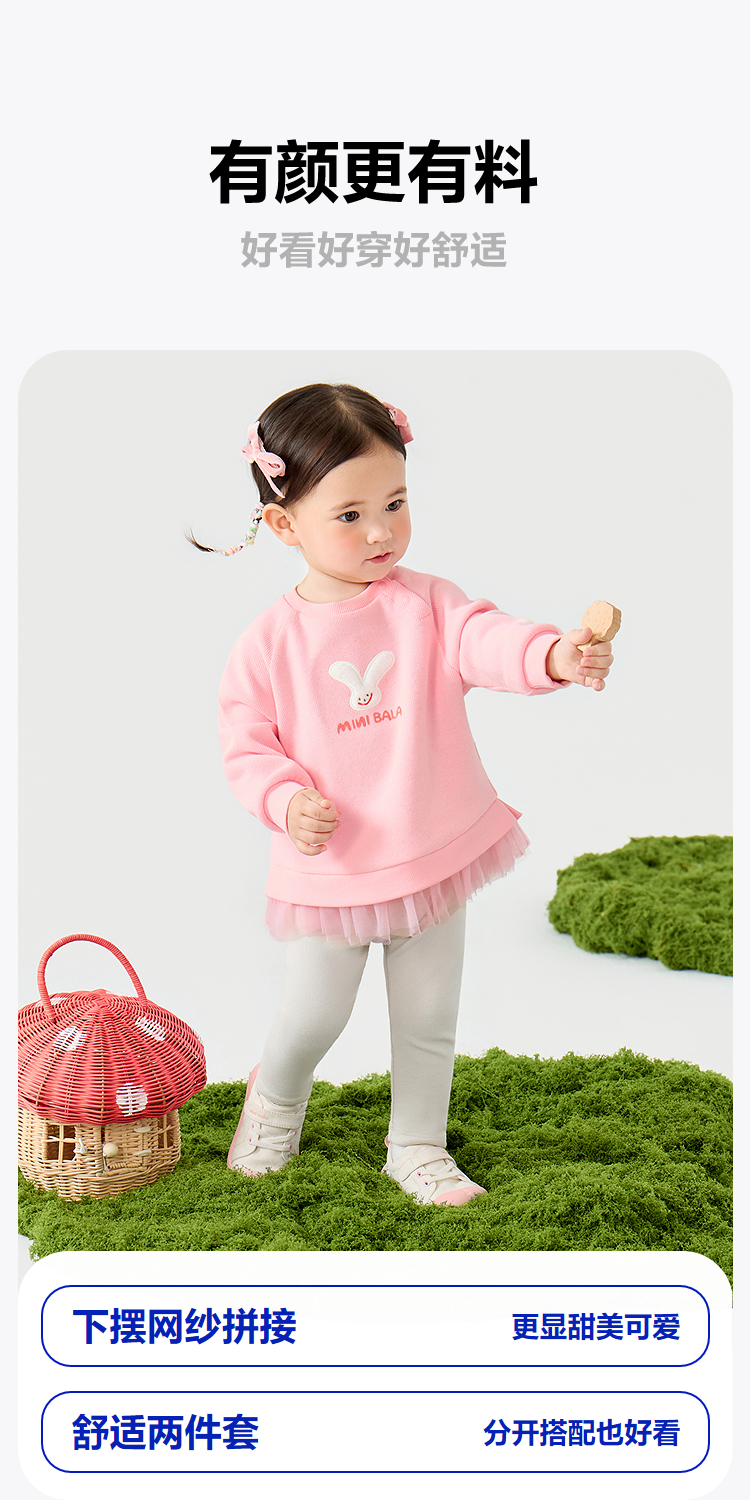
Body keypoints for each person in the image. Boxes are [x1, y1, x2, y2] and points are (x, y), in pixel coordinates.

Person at [197, 382, 614, 1206]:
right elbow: (246, 745)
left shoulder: (426, 603)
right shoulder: (268, 644)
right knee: (314, 1015)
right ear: (283, 523)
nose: (381, 532)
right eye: (350, 515)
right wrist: (285, 801)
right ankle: (274, 1101)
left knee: (428, 1018)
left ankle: (418, 1146)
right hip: (335, 871)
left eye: (395, 503)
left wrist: (553, 657)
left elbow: (485, 639)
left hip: (431, 848)